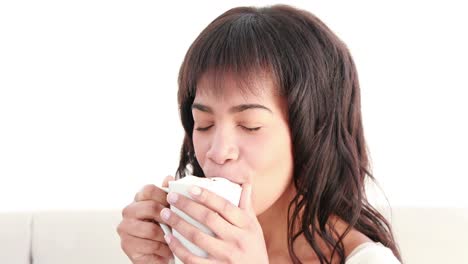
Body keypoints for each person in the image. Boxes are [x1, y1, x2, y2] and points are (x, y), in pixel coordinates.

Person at [117, 4, 402, 264]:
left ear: (313, 132)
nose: (217, 152)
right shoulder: (190, 246)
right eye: (203, 124)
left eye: (250, 125)